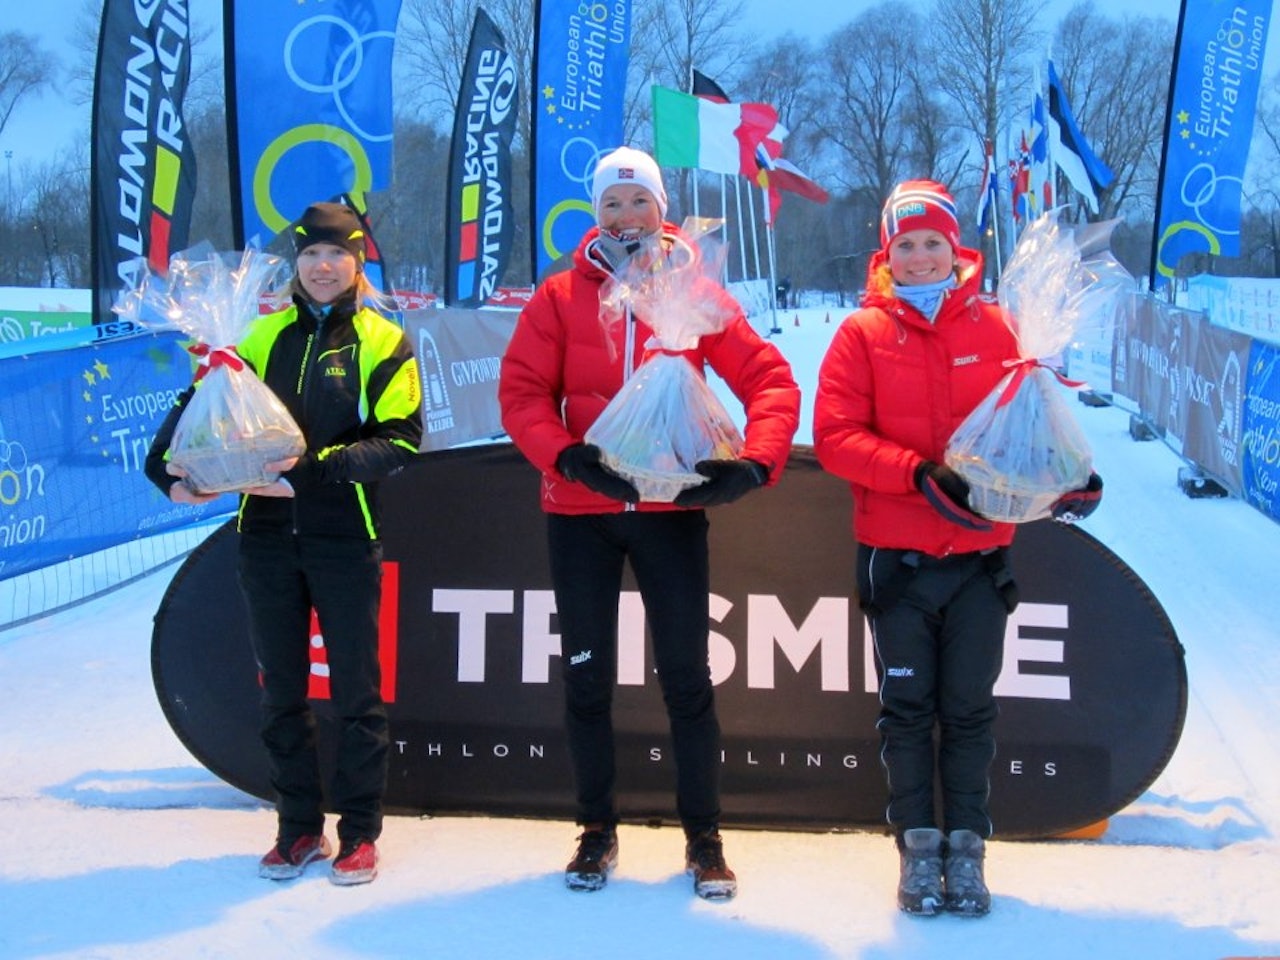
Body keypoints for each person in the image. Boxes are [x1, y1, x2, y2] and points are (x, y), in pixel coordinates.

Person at [498, 146, 800, 901]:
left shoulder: (696, 294)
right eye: (612, 203)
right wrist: (567, 458)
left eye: (640, 201)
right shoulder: (560, 296)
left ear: (662, 210)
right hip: (582, 514)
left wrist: (756, 462)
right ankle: (596, 829)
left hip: (670, 513)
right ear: (595, 214)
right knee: (586, 677)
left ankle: (705, 838)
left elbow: (771, 380)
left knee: (687, 678)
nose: (626, 215)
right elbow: (522, 394)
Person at [812, 180, 1102, 917]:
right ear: (887, 254)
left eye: (932, 242)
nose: (919, 257)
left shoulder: (1003, 328)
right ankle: (917, 849)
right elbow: (836, 438)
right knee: (908, 711)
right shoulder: (862, 334)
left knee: (970, 710)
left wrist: (1071, 477)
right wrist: (916, 473)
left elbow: (1033, 428)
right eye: (905, 244)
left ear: (955, 247)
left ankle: (967, 850)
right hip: (897, 561)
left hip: (979, 560)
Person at [145, 202, 424, 886]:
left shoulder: (384, 341)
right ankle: (297, 828)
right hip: (265, 541)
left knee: (357, 694)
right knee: (281, 693)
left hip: (345, 538)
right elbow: (201, 414)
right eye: (310, 254)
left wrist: (309, 472)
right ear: (295, 263)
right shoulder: (257, 335)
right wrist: (165, 473)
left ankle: (359, 833)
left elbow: (400, 440)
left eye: (336, 254)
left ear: (357, 261)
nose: (323, 266)